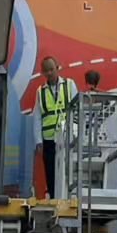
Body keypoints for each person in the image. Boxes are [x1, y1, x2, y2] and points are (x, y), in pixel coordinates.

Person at [35, 56, 76, 198]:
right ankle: (53, 197)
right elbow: (37, 117)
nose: (49, 73)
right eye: (46, 71)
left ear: (57, 68)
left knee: (68, 170)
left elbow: (77, 109)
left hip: (67, 138)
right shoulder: (40, 91)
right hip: (49, 139)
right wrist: (38, 140)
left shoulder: (69, 85)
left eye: (51, 69)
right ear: (42, 72)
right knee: (50, 171)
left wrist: (75, 133)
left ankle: (69, 197)